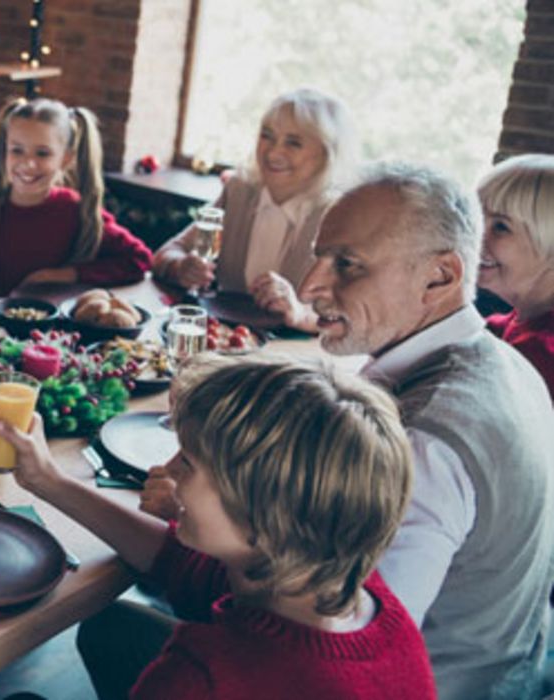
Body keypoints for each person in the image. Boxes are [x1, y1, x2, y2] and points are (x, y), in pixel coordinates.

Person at [145, 163, 554, 699]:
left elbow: (339, 647)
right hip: (517, 664)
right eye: (320, 255)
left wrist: (196, 507)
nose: (312, 285)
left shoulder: (421, 444)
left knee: (113, 628)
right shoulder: (504, 362)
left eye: (347, 265)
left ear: (441, 276)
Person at [0, 356, 434, 699]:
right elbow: (182, 565)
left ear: (262, 515)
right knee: (113, 627)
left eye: (189, 462)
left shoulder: (205, 675)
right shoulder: (348, 587)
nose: (165, 468)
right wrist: (47, 481)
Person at [153, 88, 357, 331]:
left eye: (293, 143)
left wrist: (299, 313)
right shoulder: (240, 191)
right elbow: (166, 253)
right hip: (224, 339)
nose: (273, 152)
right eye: (267, 136)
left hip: (294, 354)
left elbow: (352, 313)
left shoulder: (339, 215)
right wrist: (181, 267)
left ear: (326, 154)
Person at [0, 98, 152, 297]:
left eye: (42, 153)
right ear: (3, 152)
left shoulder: (75, 211)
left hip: (48, 335)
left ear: (65, 159)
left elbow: (139, 260)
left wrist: (60, 275)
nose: (28, 164)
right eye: (17, 150)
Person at [476, 153, 554, 401]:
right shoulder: (525, 319)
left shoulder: (539, 353)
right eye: (478, 220)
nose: (477, 236)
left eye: (500, 227)